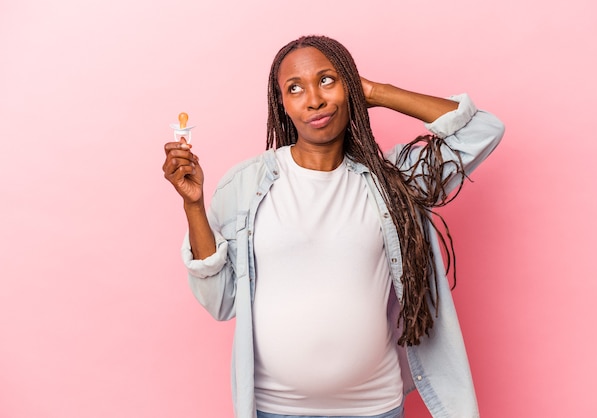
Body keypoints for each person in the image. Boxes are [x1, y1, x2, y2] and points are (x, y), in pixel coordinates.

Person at [162, 35, 504, 418]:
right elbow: (221, 302)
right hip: (276, 409)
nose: (314, 99)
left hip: (375, 407)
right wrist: (193, 205)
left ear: (349, 85)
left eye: (327, 80)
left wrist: (376, 92)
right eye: (295, 88)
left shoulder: (392, 182)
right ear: (283, 104)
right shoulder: (245, 185)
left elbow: (483, 130)